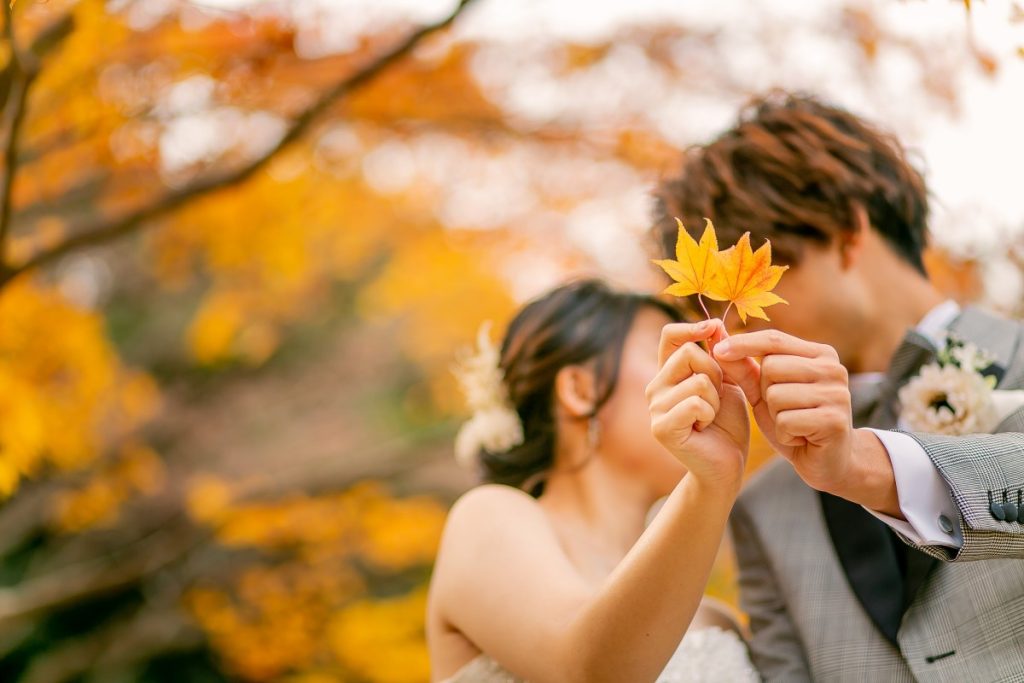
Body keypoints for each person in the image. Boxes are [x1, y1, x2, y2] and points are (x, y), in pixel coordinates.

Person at [652, 91, 1024, 680]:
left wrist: (864, 466)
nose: (735, 325)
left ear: (848, 233)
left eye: (752, 287)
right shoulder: (761, 507)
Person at [426, 279, 759, 682]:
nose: (708, 378)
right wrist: (710, 483)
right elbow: (588, 672)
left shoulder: (716, 621)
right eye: (670, 356)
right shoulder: (486, 518)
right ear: (579, 390)